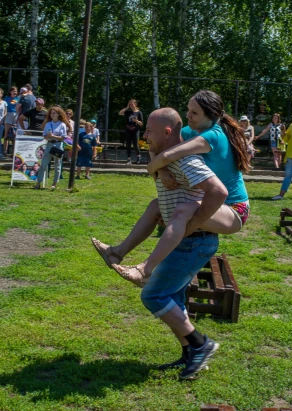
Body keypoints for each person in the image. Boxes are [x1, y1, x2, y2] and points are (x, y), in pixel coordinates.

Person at [96, 108, 225, 379]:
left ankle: (201, 345)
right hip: (187, 241)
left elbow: (218, 191)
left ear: (167, 133)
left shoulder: (187, 160)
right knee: (174, 298)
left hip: (195, 242)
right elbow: (157, 156)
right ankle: (189, 354)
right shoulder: (168, 157)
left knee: (154, 295)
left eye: (149, 131)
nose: (144, 135)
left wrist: (194, 221)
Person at [96, 90, 250, 286]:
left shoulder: (212, 136)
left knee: (182, 211)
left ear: (210, 115)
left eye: (194, 113)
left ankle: (145, 270)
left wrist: (153, 168)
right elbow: (157, 147)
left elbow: (168, 156)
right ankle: (116, 253)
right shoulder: (191, 131)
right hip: (214, 202)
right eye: (188, 110)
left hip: (235, 209)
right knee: (155, 206)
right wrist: (161, 172)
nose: (188, 116)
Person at [34, 106, 71, 190]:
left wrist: (53, 136)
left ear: (58, 114)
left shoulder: (62, 125)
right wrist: (49, 137)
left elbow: (63, 138)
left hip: (58, 145)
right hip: (49, 145)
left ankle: (54, 184)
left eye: (54, 113)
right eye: (51, 113)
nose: (52, 114)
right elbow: (45, 136)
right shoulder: (48, 124)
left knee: (57, 165)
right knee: (43, 164)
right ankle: (38, 183)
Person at [119, 99, 143, 164]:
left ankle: (138, 157)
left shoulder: (139, 112)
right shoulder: (128, 112)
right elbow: (120, 113)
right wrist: (127, 107)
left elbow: (141, 123)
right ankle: (129, 159)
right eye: (130, 104)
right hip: (128, 129)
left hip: (135, 129)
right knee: (128, 144)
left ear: (135, 104)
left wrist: (136, 121)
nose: (131, 105)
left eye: (132, 104)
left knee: (135, 144)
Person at [3, 86, 19, 155]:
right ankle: (5, 151)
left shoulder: (18, 99)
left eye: (16, 91)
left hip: (15, 115)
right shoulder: (6, 99)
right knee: (6, 133)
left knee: (14, 134)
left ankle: (14, 152)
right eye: (13, 91)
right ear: (10, 92)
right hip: (8, 114)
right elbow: (6, 106)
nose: (15, 92)